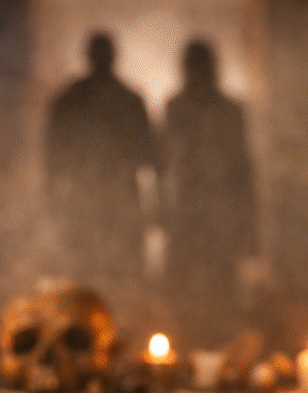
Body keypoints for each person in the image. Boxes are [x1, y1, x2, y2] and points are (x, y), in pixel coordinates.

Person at [162, 40, 257, 344]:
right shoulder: (175, 108)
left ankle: (222, 350)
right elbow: (165, 165)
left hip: (221, 213)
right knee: (184, 287)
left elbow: (243, 169)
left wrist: (249, 227)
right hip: (188, 211)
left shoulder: (231, 110)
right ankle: (184, 345)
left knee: (222, 287)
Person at [46, 33, 156, 291]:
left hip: (111, 201)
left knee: (116, 275)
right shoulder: (124, 100)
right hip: (94, 201)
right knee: (91, 275)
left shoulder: (74, 99)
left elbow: (148, 157)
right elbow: (54, 158)